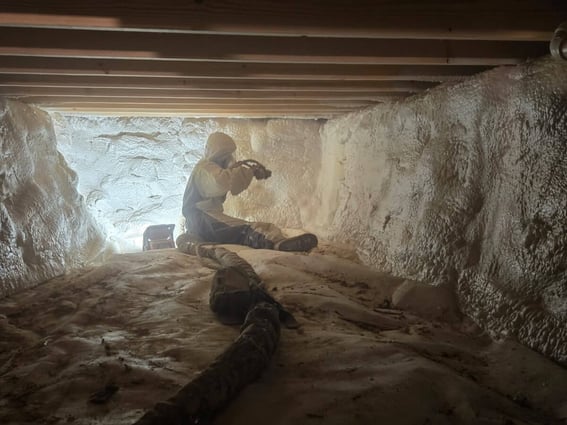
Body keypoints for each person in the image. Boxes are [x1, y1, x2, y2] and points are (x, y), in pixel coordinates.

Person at [180, 132, 318, 252]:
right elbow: (220, 182)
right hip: (203, 219)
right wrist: (249, 171)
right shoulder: (204, 168)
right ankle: (276, 243)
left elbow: (227, 182)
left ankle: (277, 242)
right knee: (247, 229)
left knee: (240, 230)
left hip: (201, 222)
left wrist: (245, 172)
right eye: (226, 155)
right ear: (218, 154)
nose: (229, 159)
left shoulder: (207, 168)